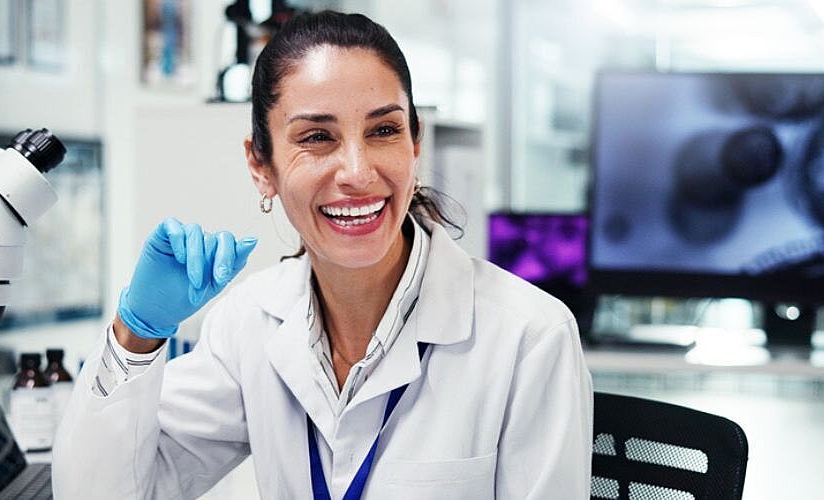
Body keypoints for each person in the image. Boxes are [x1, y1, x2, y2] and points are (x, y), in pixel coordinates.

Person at [53, 11, 593, 499]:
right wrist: (136, 333)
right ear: (261, 165)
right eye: (316, 137)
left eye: (384, 130)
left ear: (415, 145)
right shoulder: (249, 323)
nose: (357, 172)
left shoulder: (528, 337)